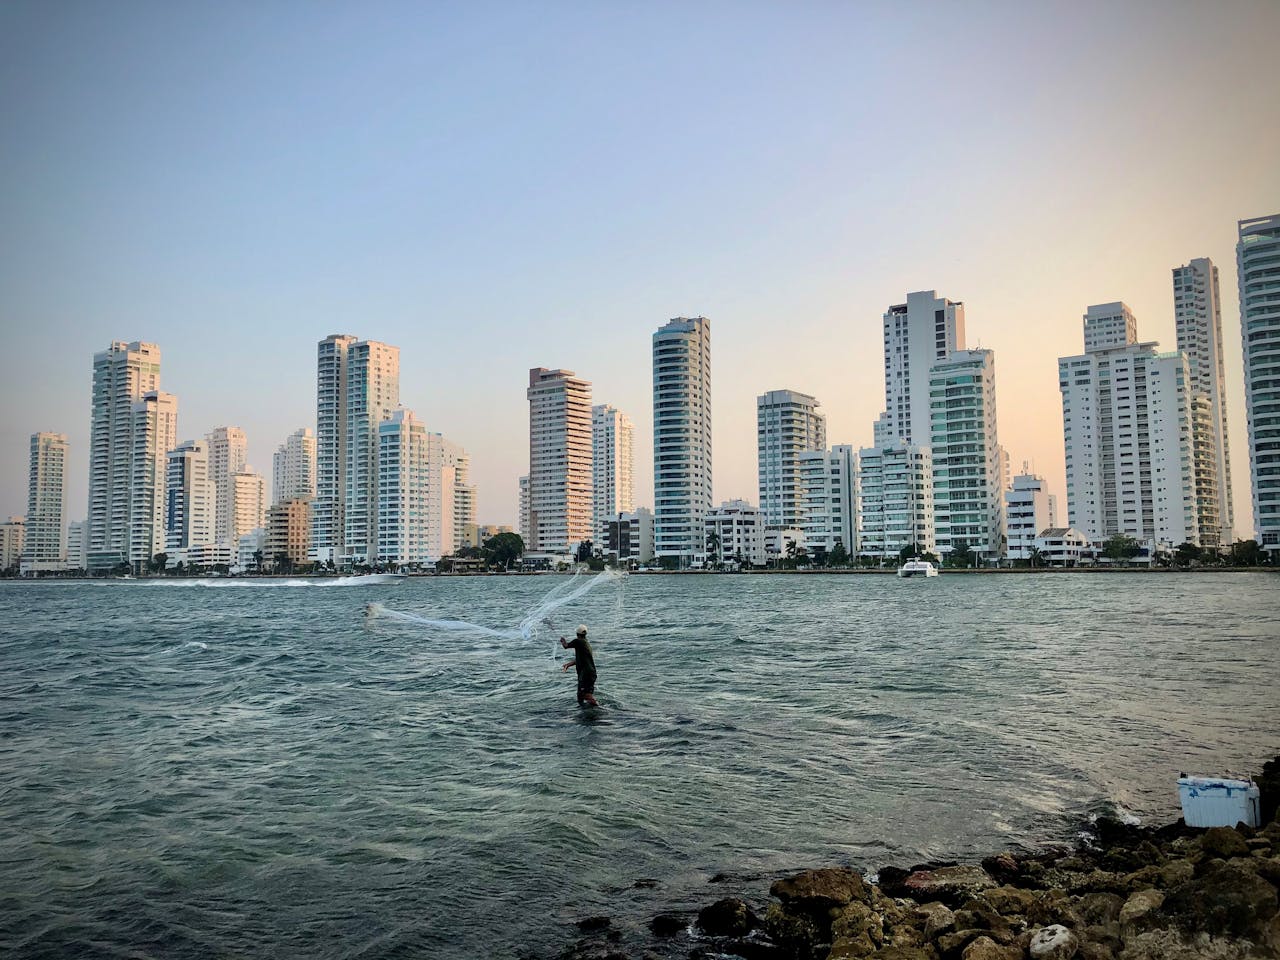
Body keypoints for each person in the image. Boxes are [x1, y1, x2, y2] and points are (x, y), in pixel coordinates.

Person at [559, 624, 599, 707]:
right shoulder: (585, 643)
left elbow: (565, 646)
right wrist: (569, 664)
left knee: (586, 695)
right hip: (588, 674)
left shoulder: (578, 641)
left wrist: (563, 640)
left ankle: (599, 708)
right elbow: (581, 660)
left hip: (586, 674)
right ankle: (585, 712)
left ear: (577, 634)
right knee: (580, 696)